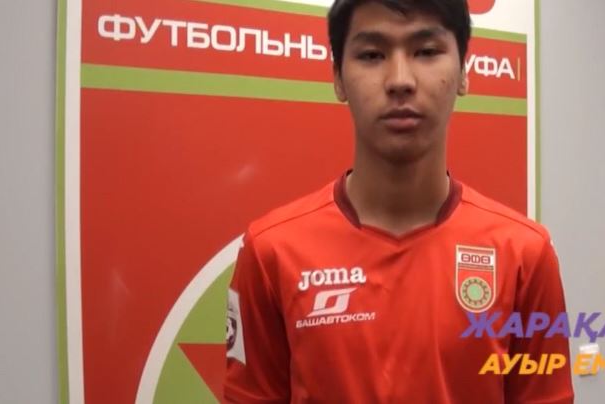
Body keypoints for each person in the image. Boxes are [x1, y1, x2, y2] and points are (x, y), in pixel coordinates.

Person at [224, 0, 574, 402]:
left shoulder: (525, 256)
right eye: (372, 55)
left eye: (426, 51)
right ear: (338, 78)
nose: (400, 80)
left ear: (463, 71)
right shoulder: (272, 253)